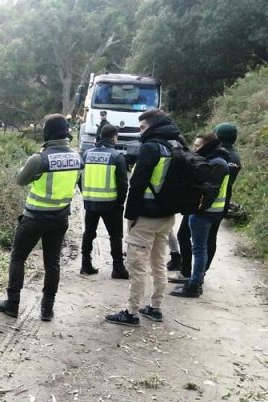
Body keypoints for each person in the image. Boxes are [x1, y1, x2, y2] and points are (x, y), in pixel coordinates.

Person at [0, 114, 82, 321]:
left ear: (47, 133)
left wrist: (26, 166)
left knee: (18, 258)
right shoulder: (78, 158)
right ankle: (47, 310)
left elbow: (20, 180)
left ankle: (12, 304)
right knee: (52, 263)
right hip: (60, 219)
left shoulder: (40, 158)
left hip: (34, 219)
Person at [105, 109, 180, 326]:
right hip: (167, 216)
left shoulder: (151, 147)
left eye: (143, 127)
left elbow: (137, 185)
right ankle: (155, 307)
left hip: (146, 217)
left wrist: (130, 216)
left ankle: (131, 312)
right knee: (158, 262)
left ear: (154, 126)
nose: (140, 132)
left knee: (137, 266)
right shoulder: (176, 145)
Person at [170, 133, 230, 297]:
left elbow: (208, 191)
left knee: (199, 249)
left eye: (198, 145)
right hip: (210, 211)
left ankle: (194, 285)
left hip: (205, 213)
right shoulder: (217, 160)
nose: (194, 148)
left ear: (207, 145)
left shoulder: (216, 163)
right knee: (200, 248)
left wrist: (197, 208)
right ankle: (195, 281)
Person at [79, 124, 129, 279]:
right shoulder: (116, 156)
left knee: (89, 233)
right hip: (111, 204)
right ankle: (118, 268)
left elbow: (80, 179)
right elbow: (123, 184)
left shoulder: (86, 154)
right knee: (115, 236)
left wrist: (87, 194)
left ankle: (85, 264)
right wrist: (120, 202)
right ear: (115, 137)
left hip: (90, 202)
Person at [206, 123, 241, 270]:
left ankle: (194, 272)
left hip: (209, 199)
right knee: (211, 236)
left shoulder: (218, 155)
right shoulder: (235, 157)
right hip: (224, 200)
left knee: (197, 237)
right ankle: (202, 270)